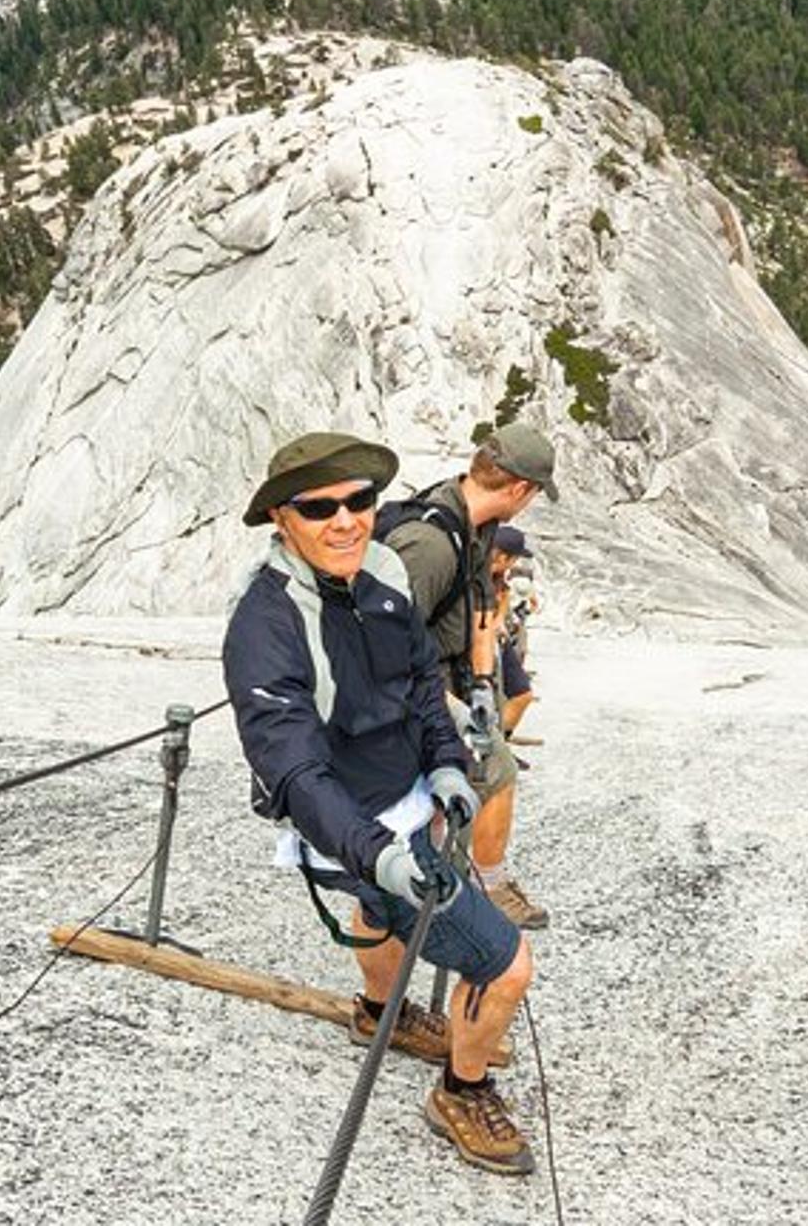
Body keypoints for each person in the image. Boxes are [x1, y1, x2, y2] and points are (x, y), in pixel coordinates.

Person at [223, 431, 538, 1176]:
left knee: (379, 908)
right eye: (318, 506)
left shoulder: (385, 571)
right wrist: (381, 855)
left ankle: (377, 1013)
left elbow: (422, 684)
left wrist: (450, 765)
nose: (345, 520)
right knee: (508, 964)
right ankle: (462, 1091)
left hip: (405, 798)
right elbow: (296, 773)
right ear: (281, 518)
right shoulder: (264, 627)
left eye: (359, 500)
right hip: (346, 830)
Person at [380, 424, 557, 929]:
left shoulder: (473, 525)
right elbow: (386, 648)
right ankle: (487, 885)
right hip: (414, 686)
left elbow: (481, 613)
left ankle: (439, 875)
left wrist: (481, 685)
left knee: (477, 769)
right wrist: (451, 709)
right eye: (536, 494)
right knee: (496, 769)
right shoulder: (431, 544)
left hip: (449, 677)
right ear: (521, 489)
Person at [489, 525, 537, 739]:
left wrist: (499, 621)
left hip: (499, 640)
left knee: (520, 694)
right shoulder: (474, 576)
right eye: (514, 558)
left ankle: (501, 744)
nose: (515, 563)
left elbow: (504, 599)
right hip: (481, 645)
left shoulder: (501, 581)